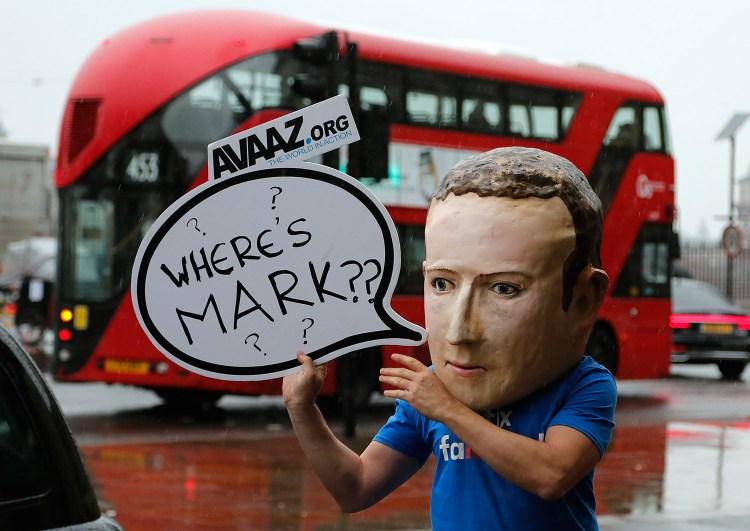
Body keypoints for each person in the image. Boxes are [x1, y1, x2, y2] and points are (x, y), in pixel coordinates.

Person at [283, 146, 617, 529]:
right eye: (442, 284)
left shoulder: (583, 385)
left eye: (504, 289)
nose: (459, 331)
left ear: (582, 300)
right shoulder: (437, 391)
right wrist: (302, 410)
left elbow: (552, 475)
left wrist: (447, 410)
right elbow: (356, 488)